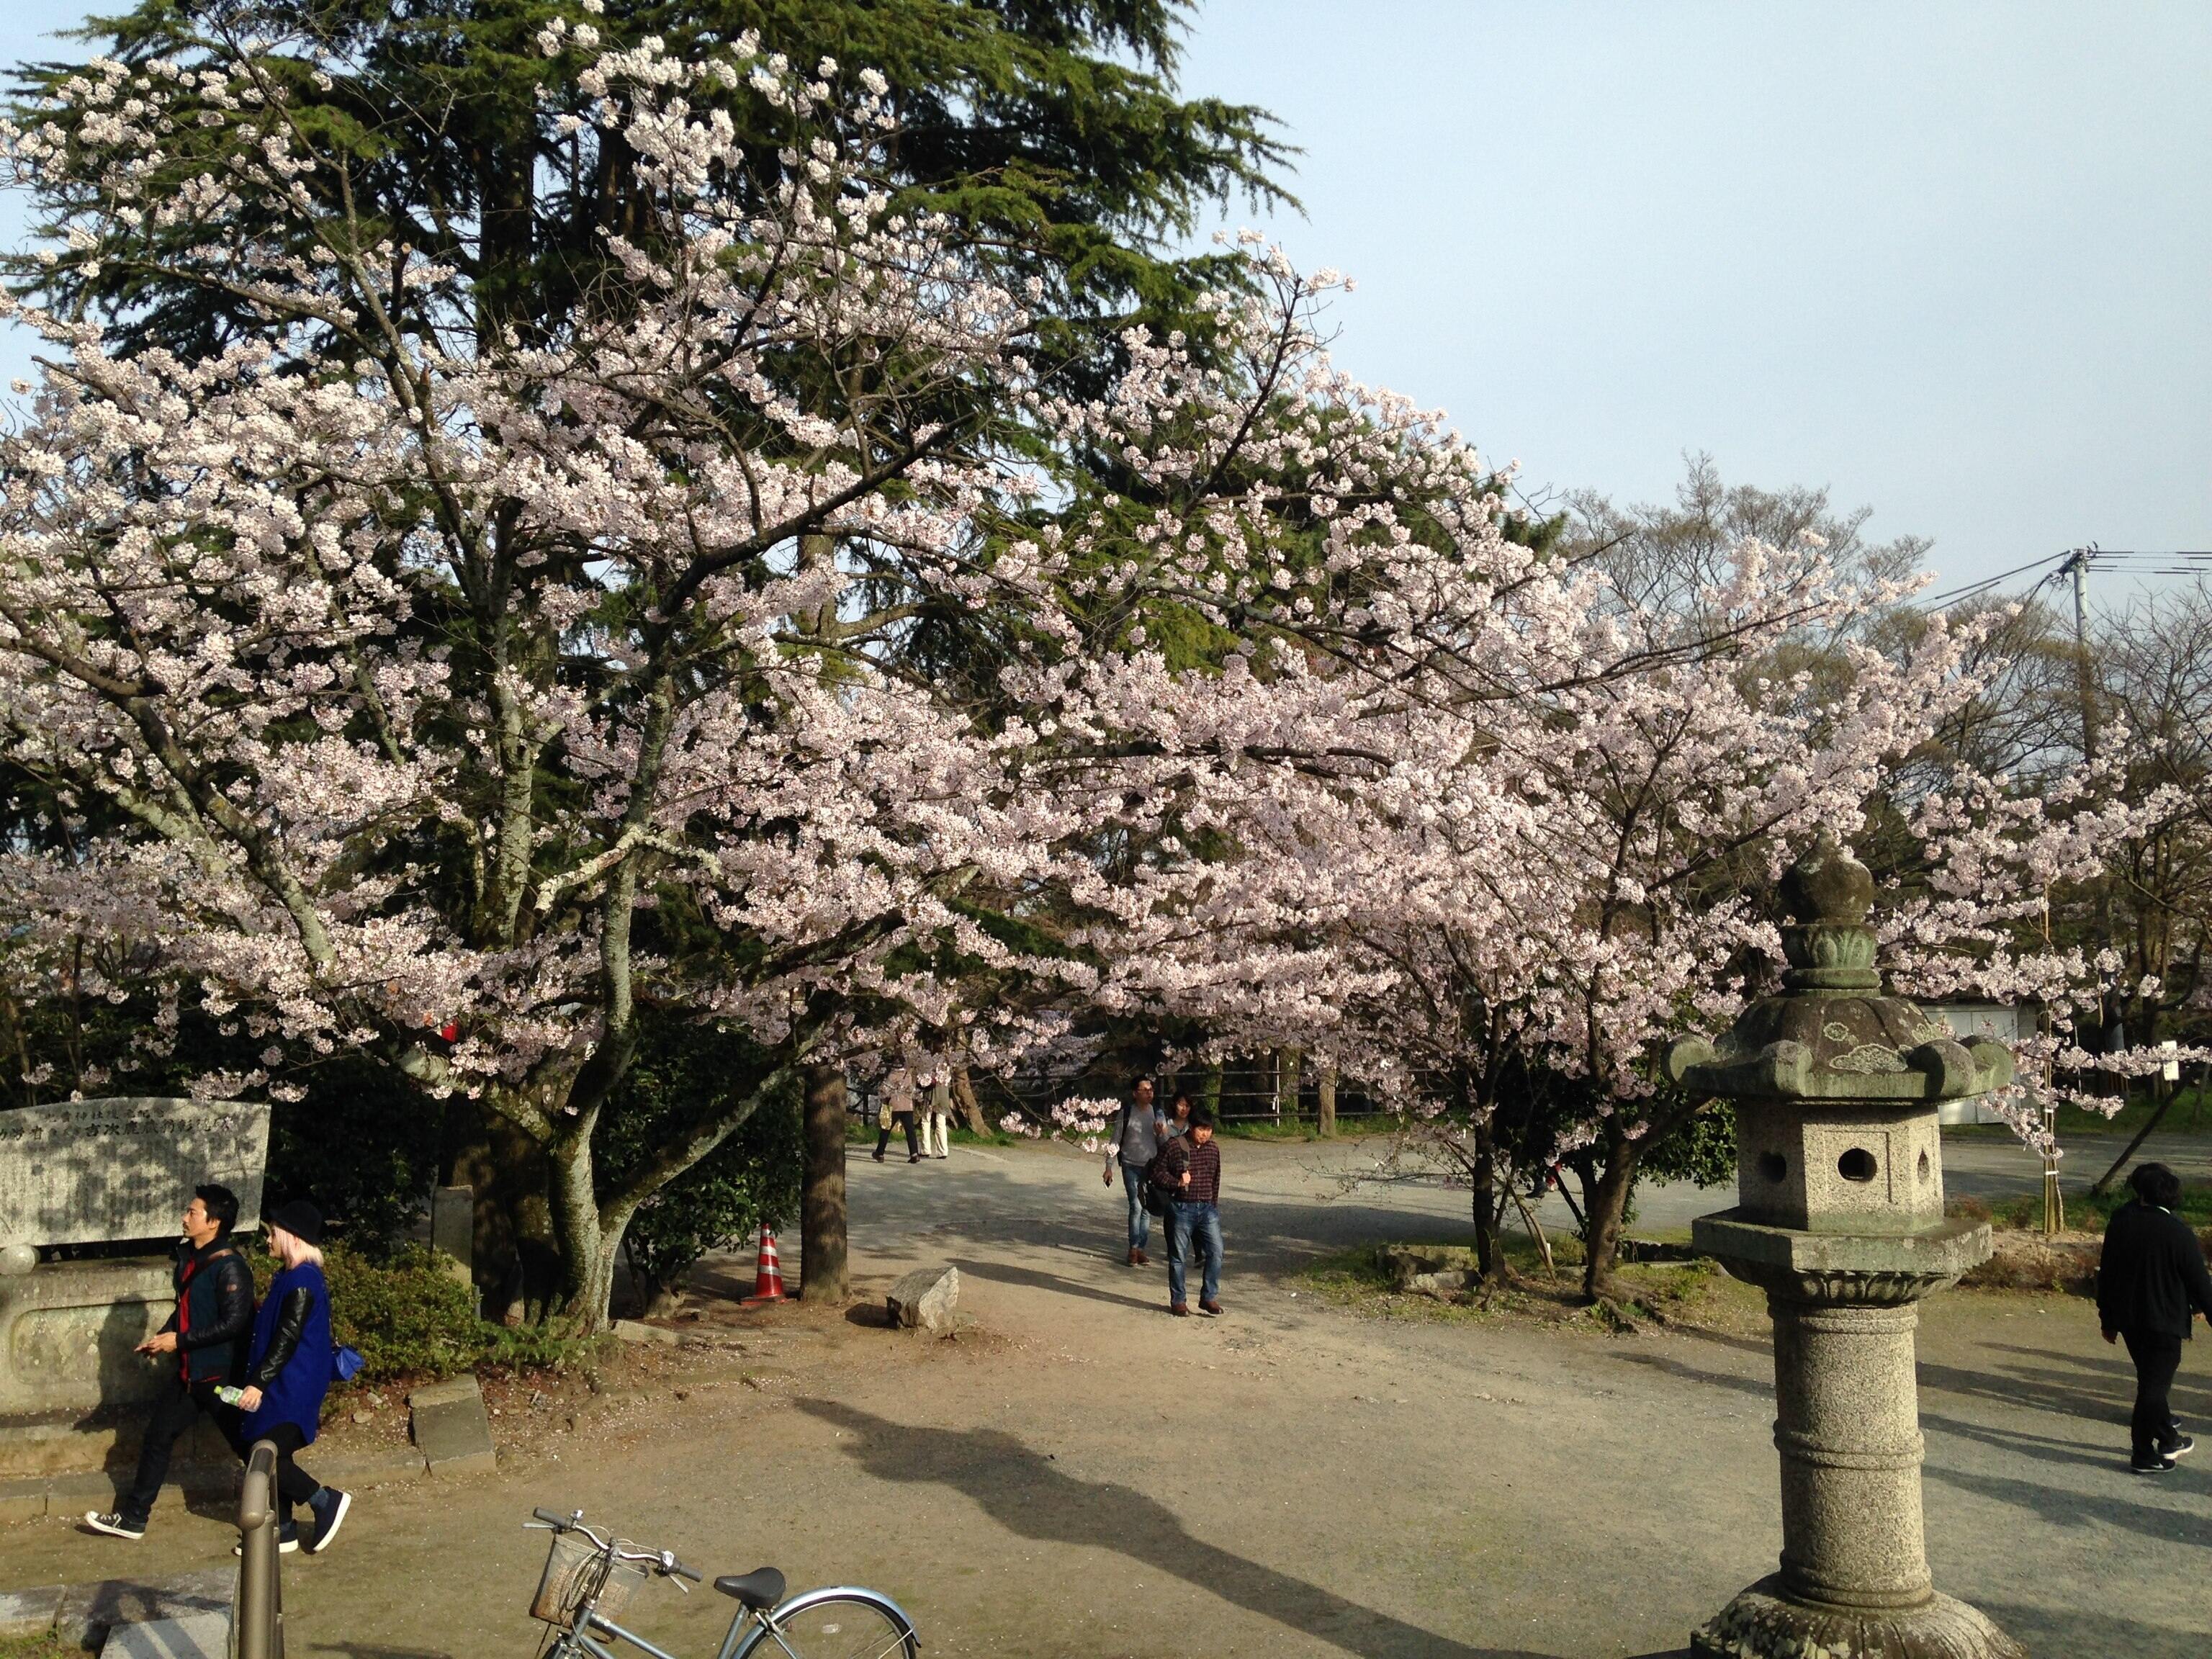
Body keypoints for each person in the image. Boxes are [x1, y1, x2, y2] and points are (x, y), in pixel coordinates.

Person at [86, 1184, 254, 1541]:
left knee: (252, 1447)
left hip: (218, 1378)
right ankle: (133, 1518)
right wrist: (162, 1338)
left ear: (214, 1222)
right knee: (158, 1436)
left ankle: (313, 1502)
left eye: (193, 1212)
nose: (184, 1217)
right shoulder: (189, 1259)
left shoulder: (231, 1267)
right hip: (189, 1375)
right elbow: (188, 1312)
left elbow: (234, 1325)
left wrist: (177, 1341)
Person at [235, 1200, 353, 1553]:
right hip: (288, 1379)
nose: (269, 1240)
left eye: (274, 1233)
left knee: (265, 1452)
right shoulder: (291, 1276)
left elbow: (287, 1336)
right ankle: (283, 1528)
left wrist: (259, 1382)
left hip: (293, 1382)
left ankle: (322, 1500)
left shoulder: (301, 1280)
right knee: (267, 1448)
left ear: (292, 1237)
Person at [2097, 1161, 2212, 1473]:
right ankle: (2143, 1452)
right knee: (2152, 1388)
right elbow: (2200, 1282)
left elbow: (2107, 1273)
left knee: (2150, 1381)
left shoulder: (2121, 1222)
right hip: (2164, 1320)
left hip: (2130, 1318)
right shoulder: (2178, 1233)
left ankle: (2168, 1437)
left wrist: (2107, 1318)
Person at [1156, 1106, 1223, 1317]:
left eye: (1209, 1129)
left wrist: (1213, 1204)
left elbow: (1216, 1179)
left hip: (1207, 1209)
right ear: (1191, 1127)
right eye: (1201, 1129)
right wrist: (1177, 1182)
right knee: (1178, 1256)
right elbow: (1157, 1174)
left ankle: (1208, 1297)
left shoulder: (1213, 1149)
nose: (1205, 1134)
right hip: (1181, 1208)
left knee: (1216, 1252)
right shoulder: (1175, 1146)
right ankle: (1178, 1300)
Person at [1102, 1077, 1163, 1266]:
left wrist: (1161, 1133)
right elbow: (1115, 1140)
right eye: (1144, 1090)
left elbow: (1163, 1143)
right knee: (1136, 1206)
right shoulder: (1126, 1113)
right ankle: (1133, 1248)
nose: (1149, 1093)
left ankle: (1140, 1249)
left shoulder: (1157, 1113)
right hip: (1131, 1165)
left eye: (1151, 1089)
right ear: (1135, 1093)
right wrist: (1109, 1166)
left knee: (1146, 1208)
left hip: (1150, 1166)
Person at [873, 1064, 921, 1164]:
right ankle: (914, 1154)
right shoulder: (908, 1075)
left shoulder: (891, 1075)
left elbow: (885, 1091)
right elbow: (911, 1089)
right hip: (908, 1106)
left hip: (894, 1106)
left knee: (886, 1129)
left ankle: (880, 1153)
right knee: (910, 1131)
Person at [919, 1066, 953, 1161]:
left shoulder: (930, 1064)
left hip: (930, 1094)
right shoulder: (947, 1065)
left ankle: (925, 1150)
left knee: (926, 1121)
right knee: (941, 1123)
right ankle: (943, 1151)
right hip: (943, 1094)